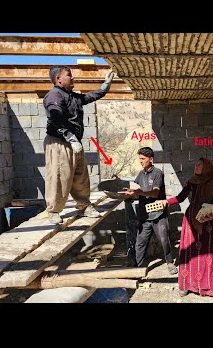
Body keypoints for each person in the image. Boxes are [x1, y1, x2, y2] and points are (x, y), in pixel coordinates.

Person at [43, 66, 115, 224]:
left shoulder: (72, 96)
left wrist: (105, 86)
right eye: (69, 75)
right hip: (59, 142)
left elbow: (89, 97)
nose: (73, 78)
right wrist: (70, 137)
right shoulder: (54, 95)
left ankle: (84, 205)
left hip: (73, 142)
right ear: (58, 79)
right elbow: (56, 117)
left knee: (80, 175)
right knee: (59, 176)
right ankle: (54, 210)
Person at [158, 157, 213, 297]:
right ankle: (187, 284)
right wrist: (167, 202)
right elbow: (180, 197)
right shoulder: (191, 182)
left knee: (208, 253)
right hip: (191, 220)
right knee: (190, 253)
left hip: (208, 223)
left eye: (200, 164)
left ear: (206, 167)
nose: (196, 166)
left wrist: (211, 215)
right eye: (196, 164)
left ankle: (208, 287)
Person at [122, 147, 177, 275]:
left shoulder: (158, 173)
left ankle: (169, 262)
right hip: (144, 215)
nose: (140, 161)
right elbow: (134, 190)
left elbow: (155, 193)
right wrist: (126, 194)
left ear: (150, 159)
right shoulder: (140, 175)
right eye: (140, 159)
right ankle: (137, 266)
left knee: (164, 240)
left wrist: (138, 192)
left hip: (158, 214)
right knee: (140, 242)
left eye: (143, 159)